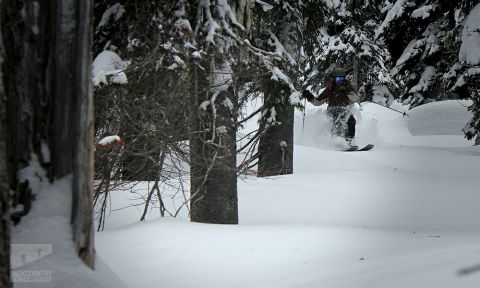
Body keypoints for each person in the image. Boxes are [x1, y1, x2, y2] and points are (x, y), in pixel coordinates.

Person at [302, 67, 359, 145]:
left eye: (342, 78)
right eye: (338, 78)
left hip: (345, 110)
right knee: (338, 122)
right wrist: (309, 96)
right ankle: (336, 141)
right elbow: (318, 102)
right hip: (333, 110)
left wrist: (346, 92)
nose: (340, 80)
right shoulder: (330, 88)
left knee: (351, 121)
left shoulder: (348, 86)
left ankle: (350, 141)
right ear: (334, 79)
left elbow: (356, 98)